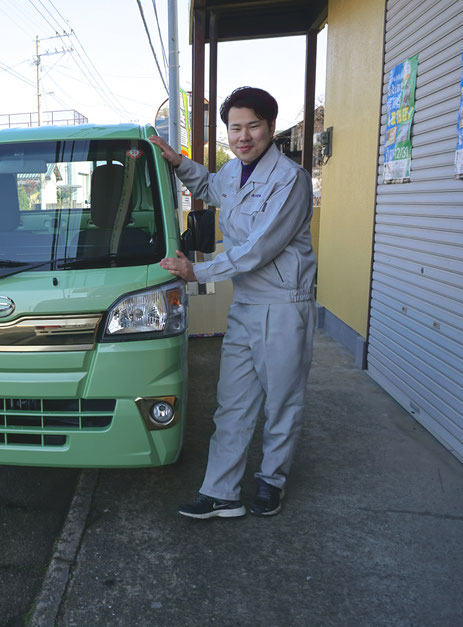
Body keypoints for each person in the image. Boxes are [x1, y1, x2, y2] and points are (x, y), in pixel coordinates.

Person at [149, 87, 316, 519]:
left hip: (283, 305)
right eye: (235, 128)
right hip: (245, 306)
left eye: (253, 126)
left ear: (271, 128)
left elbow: (260, 249)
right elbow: (207, 184)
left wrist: (197, 272)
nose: (243, 136)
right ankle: (221, 492)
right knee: (233, 402)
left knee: (281, 400)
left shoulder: (289, 180)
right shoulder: (234, 172)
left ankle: (271, 481)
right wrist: (177, 161)